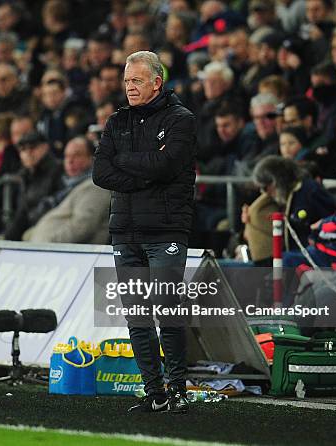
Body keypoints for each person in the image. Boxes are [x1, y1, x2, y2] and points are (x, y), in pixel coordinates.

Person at [93, 51, 196, 413]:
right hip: (125, 232)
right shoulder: (116, 122)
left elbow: (167, 165)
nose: (130, 87)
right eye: (126, 81)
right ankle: (155, 392)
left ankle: (179, 389)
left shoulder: (181, 120)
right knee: (137, 317)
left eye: (136, 80)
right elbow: (99, 173)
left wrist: (124, 161)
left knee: (167, 312)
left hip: (166, 231)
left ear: (157, 81)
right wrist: (145, 170)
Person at [23, 136, 110, 243]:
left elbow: (81, 228)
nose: (70, 161)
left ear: (92, 158)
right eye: (67, 156)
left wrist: (46, 242)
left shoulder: (96, 188)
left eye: (77, 155)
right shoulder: (67, 187)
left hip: (69, 256)